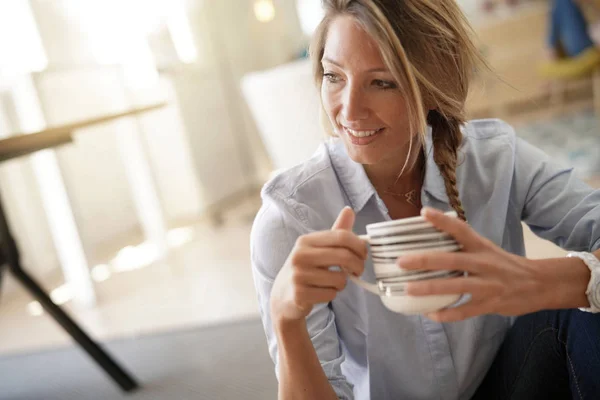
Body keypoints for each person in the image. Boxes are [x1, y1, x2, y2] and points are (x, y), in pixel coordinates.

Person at [250, 1, 600, 399]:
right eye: (334, 76)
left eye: (381, 82)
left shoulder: (494, 157)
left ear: (435, 83)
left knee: (581, 309)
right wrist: (286, 319)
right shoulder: (290, 217)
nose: (348, 110)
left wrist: (540, 283)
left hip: (508, 385)